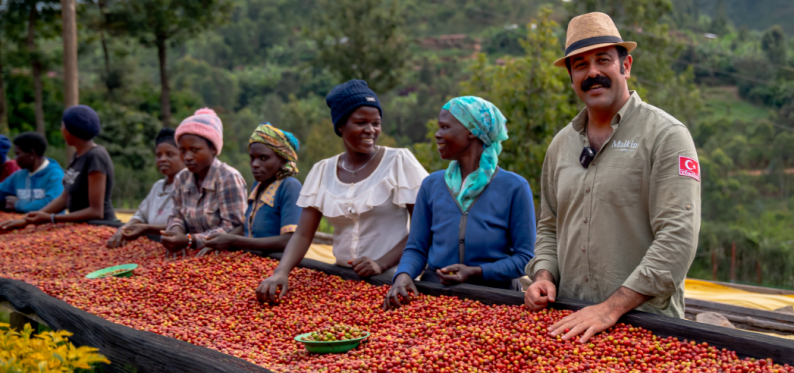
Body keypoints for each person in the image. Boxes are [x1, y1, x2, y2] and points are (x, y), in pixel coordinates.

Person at [523, 12, 701, 343]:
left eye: (603, 60)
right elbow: (549, 226)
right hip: (571, 322)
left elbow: (678, 237)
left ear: (626, 66)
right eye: (580, 65)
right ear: (571, 77)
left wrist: (610, 308)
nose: (592, 73)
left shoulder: (666, 136)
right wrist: (544, 276)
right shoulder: (561, 145)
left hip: (647, 330)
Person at [256, 79, 428, 303]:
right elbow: (303, 234)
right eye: (360, 122)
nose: (370, 130)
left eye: (376, 123)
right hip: (340, 281)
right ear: (340, 126)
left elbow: (421, 229)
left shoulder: (399, 161)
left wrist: (381, 263)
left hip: (393, 282)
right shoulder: (322, 170)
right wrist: (281, 271)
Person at [384, 97, 537, 309]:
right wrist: (403, 274)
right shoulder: (431, 185)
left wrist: (477, 272)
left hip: (496, 302)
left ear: (472, 131)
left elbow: (525, 258)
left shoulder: (514, 187)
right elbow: (417, 248)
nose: (437, 134)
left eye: (445, 127)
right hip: (436, 297)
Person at [1, 105, 116, 230]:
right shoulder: (77, 156)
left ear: (70, 130)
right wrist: (29, 219)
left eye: (63, 125)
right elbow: (65, 198)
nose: (62, 129)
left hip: (99, 227)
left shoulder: (96, 156)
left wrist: (51, 219)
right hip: (79, 227)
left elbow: (96, 212)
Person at [197, 123, 302, 256]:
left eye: (263, 158)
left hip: (277, 265)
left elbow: (289, 241)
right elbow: (245, 227)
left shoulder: (290, 186)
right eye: (252, 158)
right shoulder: (258, 185)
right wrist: (217, 241)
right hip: (252, 261)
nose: (255, 164)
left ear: (282, 160)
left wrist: (233, 241)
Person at [160, 108, 247, 257]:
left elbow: (233, 227)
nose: (187, 157)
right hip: (192, 256)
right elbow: (177, 216)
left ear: (213, 148)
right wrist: (175, 232)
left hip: (223, 257)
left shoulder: (228, 178)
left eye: (195, 149)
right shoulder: (181, 178)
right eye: (182, 150)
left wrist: (191, 240)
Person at [106, 128, 185, 248]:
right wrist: (124, 229)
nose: (162, 159)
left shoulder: (189, 187)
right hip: (154, 246)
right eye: (158, 155)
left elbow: (186, 224)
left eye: (169, 154)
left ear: (183, 156)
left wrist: (146, 229)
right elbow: (141, 216)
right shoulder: (158, 187)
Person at [0, 132, 64, 213]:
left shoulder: (55, 175)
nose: (15, 158)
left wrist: (18, 204)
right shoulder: (18, 175)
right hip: (23, 222)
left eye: (18, 154)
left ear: (32, 153)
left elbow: (52, 204)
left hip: (54, 224)